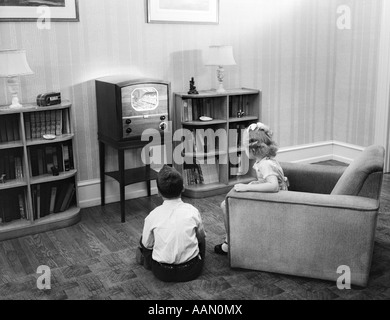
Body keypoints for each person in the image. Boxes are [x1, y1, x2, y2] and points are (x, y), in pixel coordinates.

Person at [214, 122, 288, 255]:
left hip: (275, 203)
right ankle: (231, 239)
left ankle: (230, 242)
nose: (245, 150)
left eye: (246, 148)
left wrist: (247, 188)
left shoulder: (265, 165)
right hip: (273, 199)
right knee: (227, 203)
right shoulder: (267, 160)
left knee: (226, 205)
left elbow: (273, 185)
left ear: (253, 149)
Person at [136, 165, 206, 282]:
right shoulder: (192, 211)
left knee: (144, 239)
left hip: (162, 272)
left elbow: (147, 245)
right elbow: (200, 238)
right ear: (183, 188)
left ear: (158, 192)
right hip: (191, 271)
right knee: (202, 237)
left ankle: (146, 261)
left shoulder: (152, 215)